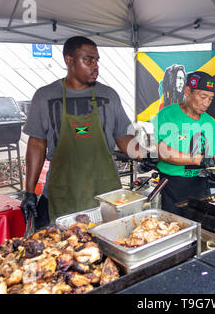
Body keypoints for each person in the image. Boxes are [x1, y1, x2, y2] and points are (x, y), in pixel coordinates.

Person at [20, 36, 148, 229]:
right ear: (69, 60)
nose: (95, 66)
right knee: (64, 250)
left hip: (106, 193)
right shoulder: (45, 96)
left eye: (97, 60)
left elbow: (123, 137)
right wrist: (29, 191)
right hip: (64, 192)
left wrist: (147, 156)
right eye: (88, 60)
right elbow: (36, 143)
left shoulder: (109, 95)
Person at [152, 71, 215, 215]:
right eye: (203, 97)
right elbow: (164, 152)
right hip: (172, 185)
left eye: (210, 99)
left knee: (200, 227)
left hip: (200, 184)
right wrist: (199, 159)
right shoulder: (168, 115)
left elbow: (213, 153)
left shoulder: (208, 121)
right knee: (173, 227)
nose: (206, 103)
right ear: (188, 91)